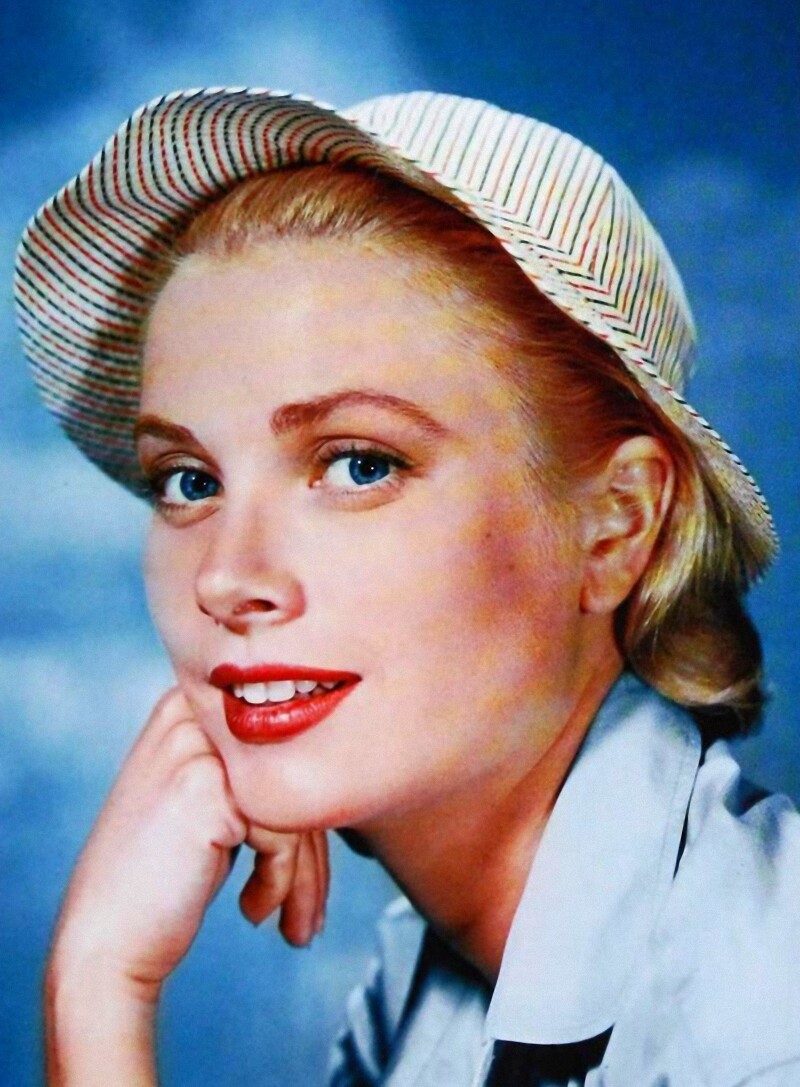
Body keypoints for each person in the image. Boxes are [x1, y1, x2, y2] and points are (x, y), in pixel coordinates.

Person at [14, 89, 799, 1086]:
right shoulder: (422, 984)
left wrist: (95, 993)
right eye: (189, 481)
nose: (226, 576)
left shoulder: (760, 1020)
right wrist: (97, 978)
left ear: (615, 526)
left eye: (358, 464)